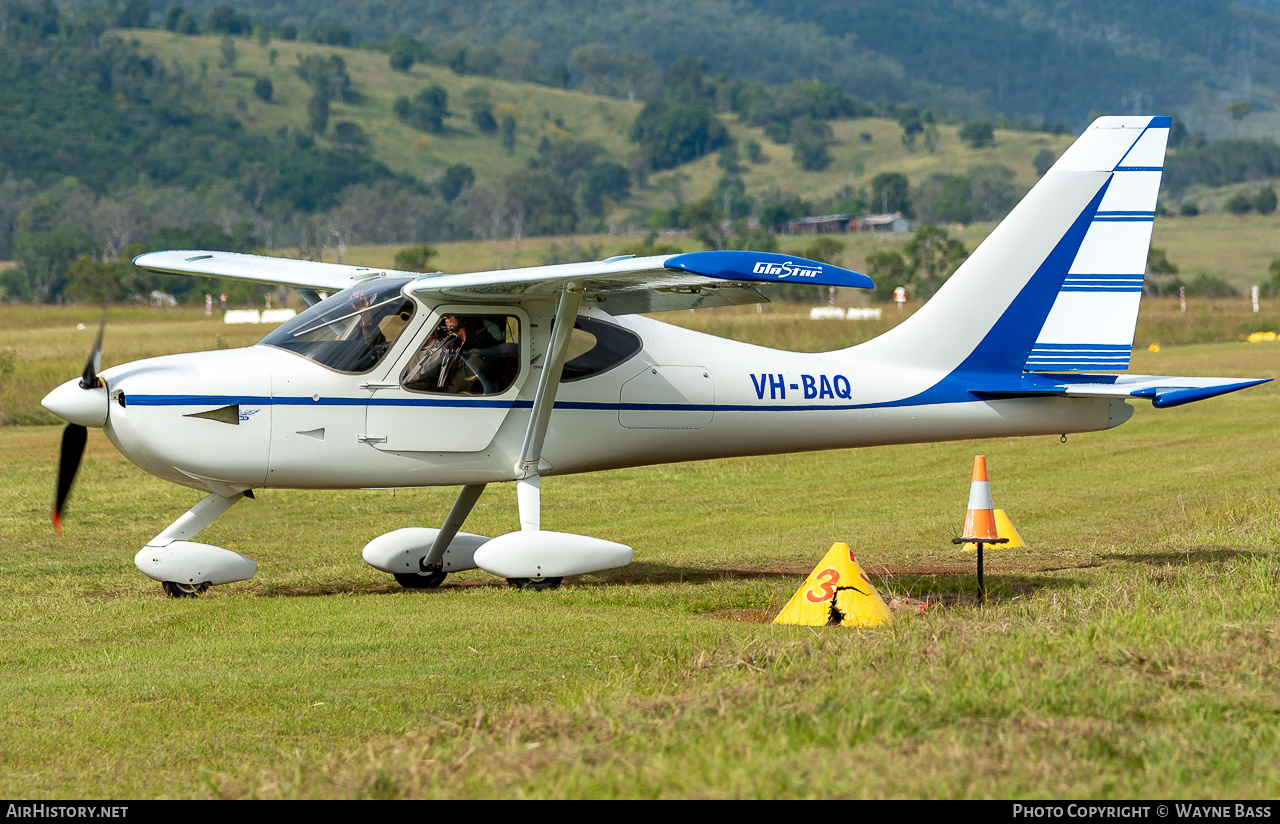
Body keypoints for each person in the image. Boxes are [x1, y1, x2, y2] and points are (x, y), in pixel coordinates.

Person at [403, 314, 517, 394]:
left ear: (465, 317)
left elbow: (456, 390)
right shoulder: (453, 346)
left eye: (450, 315)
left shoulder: (483, 349)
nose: (445, 318)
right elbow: (430, 378)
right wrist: (405, 390)